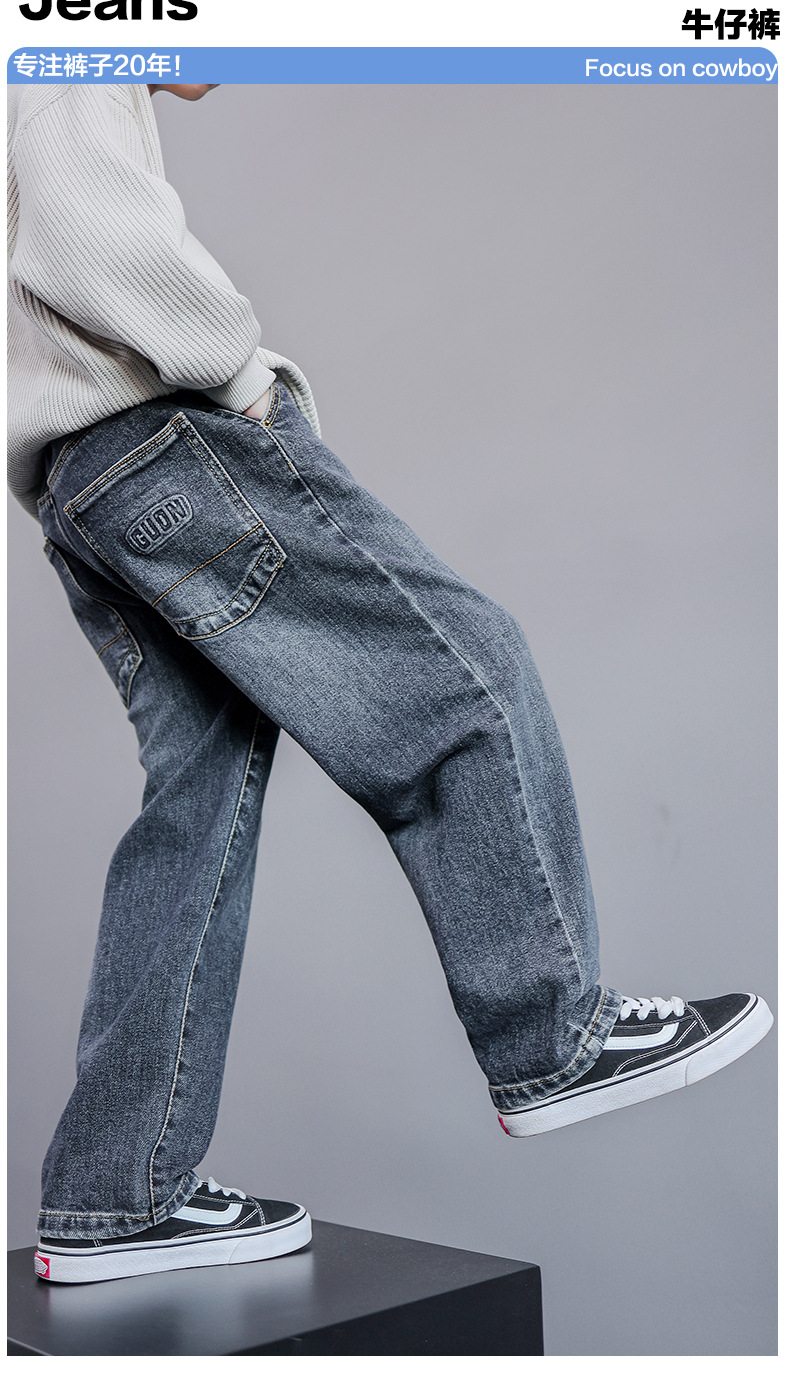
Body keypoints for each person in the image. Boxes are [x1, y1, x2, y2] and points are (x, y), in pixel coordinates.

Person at [8, 80, 773, 1287]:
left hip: (79, 485)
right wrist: (242, 375)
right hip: (167, 446)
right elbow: (90, 235)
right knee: (461, 672)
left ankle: (118, 1191)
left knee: (195, 813)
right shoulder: (69, 47)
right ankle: (551, 1032)